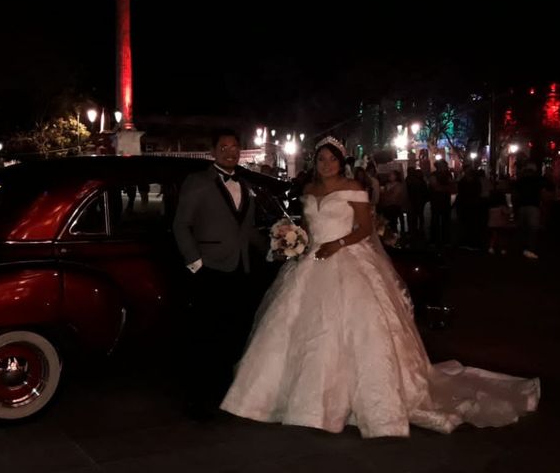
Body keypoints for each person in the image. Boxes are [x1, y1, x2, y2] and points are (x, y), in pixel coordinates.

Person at [220, 136, 540, 438]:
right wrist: (296, 242)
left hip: (347, 259)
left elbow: (364, 229)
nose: (326, 163)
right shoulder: (309, 191)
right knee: (292, 327)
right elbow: (308, 226)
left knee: (353, 329)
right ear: (314, 161)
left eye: (331, 159)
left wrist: (338, 243)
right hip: (310, 263)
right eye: (321, 159)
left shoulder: (353, 187)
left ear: (340, 161)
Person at [172, 129, 264, 420]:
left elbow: (246, 230)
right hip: (209, 269)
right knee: (204, 337)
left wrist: (277, 246)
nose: (230, 152)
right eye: (224, 147)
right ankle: (198, 401)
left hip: (240, 269)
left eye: (234, 147)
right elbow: (181, 225)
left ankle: (224, 397)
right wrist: (195, 262)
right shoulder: (197, 182)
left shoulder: (246, 184)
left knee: (233, 335)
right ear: (213, 151)